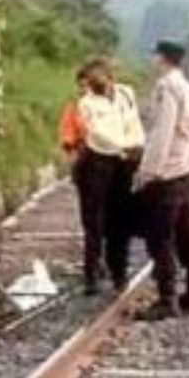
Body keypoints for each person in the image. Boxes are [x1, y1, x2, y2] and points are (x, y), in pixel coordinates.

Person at [133, 40, 189, 320]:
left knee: (160, 237)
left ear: (161, 58)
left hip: (168, 171)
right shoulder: (187, 86)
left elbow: (162, 134)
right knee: (188, 231)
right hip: (187, 165)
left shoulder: (166, 88)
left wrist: (146, 172)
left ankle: (167, 299)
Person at [75, 58, 145, 295]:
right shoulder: (87, 104)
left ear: (111, 78)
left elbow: (134, 122)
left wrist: (136, 146)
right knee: (94, 221)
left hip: (124, 163)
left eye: (101, 82)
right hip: (98, 162)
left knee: (120, 218)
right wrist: (123, 147)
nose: (97, 87)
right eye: (94, 83)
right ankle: (92, 273)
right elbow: (98, 134)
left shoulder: (126, 94)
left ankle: (119, 271)